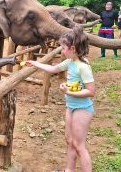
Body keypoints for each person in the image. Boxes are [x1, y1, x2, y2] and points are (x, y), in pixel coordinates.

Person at [26, 26, 96, 172]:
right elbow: (53, 69)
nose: (62, 51)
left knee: (79, 145)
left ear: (73, 48)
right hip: (70, 107)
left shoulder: (83, 66)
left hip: (82, 108)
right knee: (69, 141)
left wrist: (69, 92)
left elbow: (91, 91)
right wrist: (34, 63)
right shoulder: (70, 62)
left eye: (63, 48)